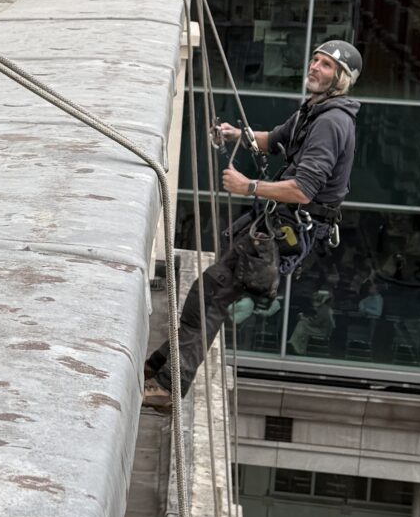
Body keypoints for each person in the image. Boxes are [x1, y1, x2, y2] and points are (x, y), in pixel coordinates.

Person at [141, 40, 363, 409]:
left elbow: (303, 189)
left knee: (210, 294)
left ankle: (167, 386)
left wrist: (249, 186)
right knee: (210, 293)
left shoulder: (331, 122)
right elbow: (274, 141)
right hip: (279, 226)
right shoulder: (315, 110)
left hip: (289, 230)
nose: (314, 67)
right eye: (315, 59)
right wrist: (235, 135)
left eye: (325, 65)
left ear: (339, 79)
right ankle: (157, 371)